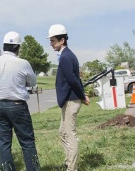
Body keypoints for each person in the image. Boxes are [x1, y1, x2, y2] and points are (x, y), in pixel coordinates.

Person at [0, 31, 40, 171]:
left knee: (4, 143)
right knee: (27, 142)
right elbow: (32, 82)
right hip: (17, 105)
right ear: (18, 47)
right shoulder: (23, 63)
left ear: (4, 46)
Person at [47, 24, 90, 171]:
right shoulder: (67, 55)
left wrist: (82, 95)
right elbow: (75, 79)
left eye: (53, 41)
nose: (51, 44)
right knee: (63, 132)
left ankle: (72, 168)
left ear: (62, 40)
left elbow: (72, 80)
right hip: (69, 100)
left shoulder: (66, 57)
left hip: (71, 100)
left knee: (70, 134)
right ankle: (68, 162)